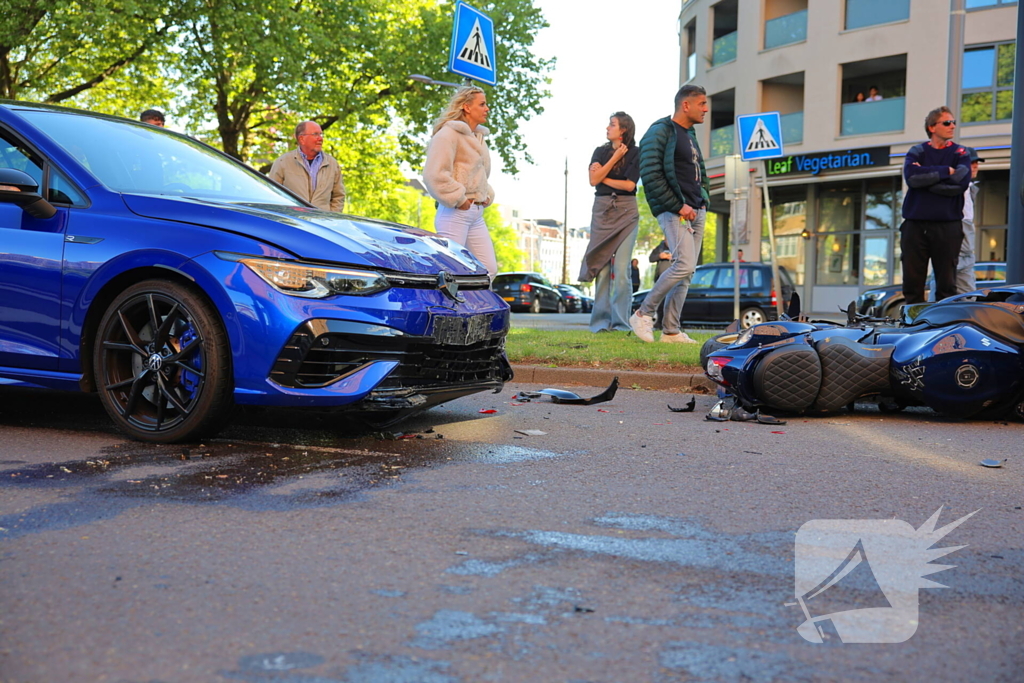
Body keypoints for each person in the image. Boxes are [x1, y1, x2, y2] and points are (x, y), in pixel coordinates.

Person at [629, 84, 710, 344]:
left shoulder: (690, 134)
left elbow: (700, 171)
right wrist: (679, 205)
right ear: (686, 105)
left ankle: (671, 331)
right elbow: (651, 175)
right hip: (675, 210)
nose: (706, 109)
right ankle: (643, 313)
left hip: (696, 209)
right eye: (701, 104)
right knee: (683, 264)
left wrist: (703, 200)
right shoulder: (660, 131)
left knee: (687, 272)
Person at [422, 86, 497, 277]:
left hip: (476, 214)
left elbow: (475, 174)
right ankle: (442, 307)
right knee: (449, 272)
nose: (487, 108)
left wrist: (485, 193)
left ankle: (472, 307)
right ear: (467, 107)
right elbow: (434, 174)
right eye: (482, 104)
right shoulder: (448, 134)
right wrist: (460, 199)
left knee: (488, 270)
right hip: (455, 212)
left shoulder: (478, 137)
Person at [900, 106, 971, 304]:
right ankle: (912, 325)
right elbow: (912, 178)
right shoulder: (917, 151)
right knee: (912, 282)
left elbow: (960, 183)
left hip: (948, 226)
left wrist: (927, 182)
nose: (952, 126)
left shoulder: (961, 153)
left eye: (954, 122)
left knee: (946, 284)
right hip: (915, 225)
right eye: (947, 122)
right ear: (932, 127)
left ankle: (942, 325)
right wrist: (944, 172)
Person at [578, 112, 640, 332]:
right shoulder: (600, 151)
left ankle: (621, 324)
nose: (607, 128)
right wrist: (613, 160)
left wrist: (601, 176)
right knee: (602, 268)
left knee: (622, 270)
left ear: (623, 129)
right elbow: (592, 181)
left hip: (626, 212)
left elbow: (629, 186)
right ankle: (600, 324)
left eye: (612, 125)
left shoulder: (636, 152)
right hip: (602, 210)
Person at [268, 121, 346, 212]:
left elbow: (338, 196)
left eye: (321, 134)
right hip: (293, 223)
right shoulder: (282, 162)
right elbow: (272, 195)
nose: (320, 138)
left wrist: (331, 218)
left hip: (322, 223)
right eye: (315, 134)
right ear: (302, 139)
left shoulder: (332, 164)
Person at [956, 147, 984, 294]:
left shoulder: (969, 188)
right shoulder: (956, 187)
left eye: (977, 163)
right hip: (959, 238)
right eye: (971, 162)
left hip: (964, 240)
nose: (975, 166)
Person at [647, 240, 671, 330]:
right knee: (660, 301)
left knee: (672, 300)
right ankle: (660, 322)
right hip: (660, 278)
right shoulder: (660, 247)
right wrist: (659, 256)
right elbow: (651, 258)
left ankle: (671, 323)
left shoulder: (677, 246)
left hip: (672, 278)